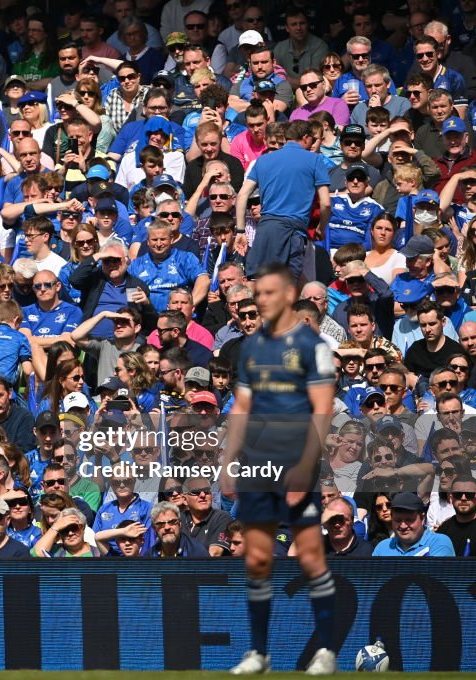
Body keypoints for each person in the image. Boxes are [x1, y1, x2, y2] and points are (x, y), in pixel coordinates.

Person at [223, 263, 338, 675]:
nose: (262, 302)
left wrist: (305, 468)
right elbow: (241, 405)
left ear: (289, 295)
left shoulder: (313, 345)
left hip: (296, 461)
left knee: (309, 556)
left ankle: (326, 649)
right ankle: (259, 653)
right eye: (259, 295)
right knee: (256, 559)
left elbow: (322, 409)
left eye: (269, 293)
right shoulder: (252, 346)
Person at [237, 121, 330, 281]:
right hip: (292, 233)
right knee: (286, 289)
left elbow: (242, 195)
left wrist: (240, 231)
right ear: (306, 137)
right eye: (312, 141)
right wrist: (321, 227)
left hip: (265, 231)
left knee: (259, 284)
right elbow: (326, 203)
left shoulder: (262, 161)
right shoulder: (314, 160)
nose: (312, 145)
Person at [372, 492, 455, 556]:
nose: (403, 526)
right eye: (397, 520)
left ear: (422, 518)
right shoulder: (382, 548)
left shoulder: (439, 542)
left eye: (409, 520)